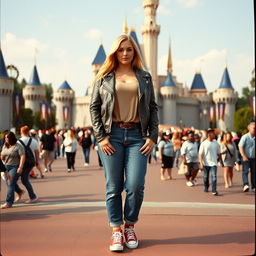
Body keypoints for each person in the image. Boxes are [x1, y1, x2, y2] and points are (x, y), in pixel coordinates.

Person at [90, 34, 158, 252]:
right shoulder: (104, 77)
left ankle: (130, 225)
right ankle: (116, 230)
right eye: (121, 50)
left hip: (138, 136)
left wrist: (152, 136)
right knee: (113, 186)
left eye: (129, 49)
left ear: (134, 51)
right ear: (115, 53)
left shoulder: (145, 77)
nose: (125, 53)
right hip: (113, 135)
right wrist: (101, 137)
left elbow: (153, 108)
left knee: (135, 186)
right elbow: (94, 108)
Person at [0, 132, 25, 209]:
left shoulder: (18, 146)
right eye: (5, 138)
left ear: (12, 138)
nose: (6, 139)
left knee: (10, 183)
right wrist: (2, 157)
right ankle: (19, 191)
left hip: (15, 167)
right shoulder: (5, 146)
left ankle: (9, 202)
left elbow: (22, 156)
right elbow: (2, 155)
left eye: (7, 138)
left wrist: (20, 167)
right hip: (6, 167)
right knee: (9, 183)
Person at [16, 126, 39, 203]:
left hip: (20, 163)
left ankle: (32, 196)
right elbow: (37, 152)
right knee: (24, 179)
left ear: (21, 132)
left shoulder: (18, 141)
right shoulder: (34, 141)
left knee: (17, 180)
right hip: (30, 162)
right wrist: (37, 161)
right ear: (28, 131)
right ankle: (29, 195)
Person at [199, 128, 224, 196]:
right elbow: (200, 154)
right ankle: (206, 187)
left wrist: (221, 162)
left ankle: (214, 190)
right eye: (213, 133)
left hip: (213, 163)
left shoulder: (216, 143)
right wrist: (201, 163)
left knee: (214, 177)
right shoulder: (204, 143)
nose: (214, 135)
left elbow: (219, 153)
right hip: (206, 163)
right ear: (209, 134)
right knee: (205, 177)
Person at [238, 119, 255, 192]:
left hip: (254, 158)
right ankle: (245, 185)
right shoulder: (245, 137)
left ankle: (254, 186)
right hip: (246, 158)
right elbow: (240, 146)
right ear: (249, 128)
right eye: (254, 128)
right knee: (245, 171)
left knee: (254, 173)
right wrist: (243, 156)